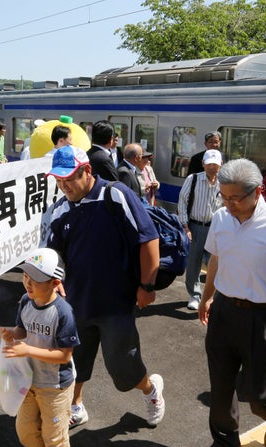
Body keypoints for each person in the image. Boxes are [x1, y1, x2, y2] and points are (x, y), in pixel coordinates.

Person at [42, 145, 165, 428]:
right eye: (59, 181)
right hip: (76, 304)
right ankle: (75, 407)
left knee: (124, 368)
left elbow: (148, 239)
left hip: (116, 303)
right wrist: (54, 280)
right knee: (74, 365)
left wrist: (147, 285)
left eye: (69, 179)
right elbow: (55, 254)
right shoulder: (60, 210)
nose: (64, 187)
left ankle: (151, 391)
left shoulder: (115, 194)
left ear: (87, 171)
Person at [198, 158, 266, 447]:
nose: (228, 203)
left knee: (258, 397)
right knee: (220, 391)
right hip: (223, 313)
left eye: (235, 198)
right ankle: (224, 440)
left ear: (257, 191)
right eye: (223, 196)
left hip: (262, 318)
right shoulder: (221, 218)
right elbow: (216, 259)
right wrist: (207, 297)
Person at [1, 247, 80, 447]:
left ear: (55, 283)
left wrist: (27, 350)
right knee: (26, 430)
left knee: (54, 437)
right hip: (29, 379)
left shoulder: (63, 313)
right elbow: (23, 329)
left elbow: (63, 356)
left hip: (55, 387)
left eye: (35, 278)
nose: (27, 282)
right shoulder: (26, 301)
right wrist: (13, 334)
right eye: (25, 275)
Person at [178, 149, 223, 310]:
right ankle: (194, 295)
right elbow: (182, 201)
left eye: (215, 164)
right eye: (209, 164)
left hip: (215, 228)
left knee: (216, 264)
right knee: (193, 264)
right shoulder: (194, 179)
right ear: (203, 164)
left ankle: (212, 297)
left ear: (221, 165)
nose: (212, 167)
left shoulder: (224, 182)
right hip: (195, 226)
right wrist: (185, 225)